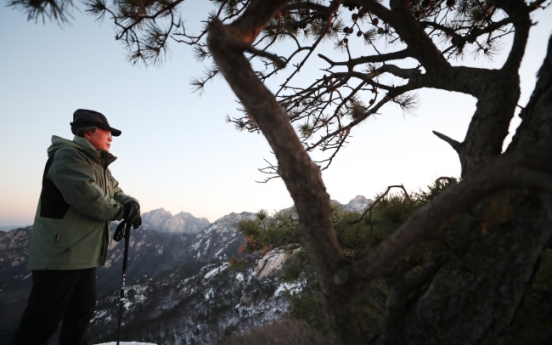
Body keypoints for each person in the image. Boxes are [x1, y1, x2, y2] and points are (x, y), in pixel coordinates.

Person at [11, 109, 141, 345]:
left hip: (85, 254)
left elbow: (117, 192)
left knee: (79, 319)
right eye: (107, 132)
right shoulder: (67, 157)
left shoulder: (100, 166)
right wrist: (124, 212)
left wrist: (132, 204)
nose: (111, 137)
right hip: (61, 254)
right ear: (88, 133)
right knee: (42, 322)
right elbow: (88, 198)